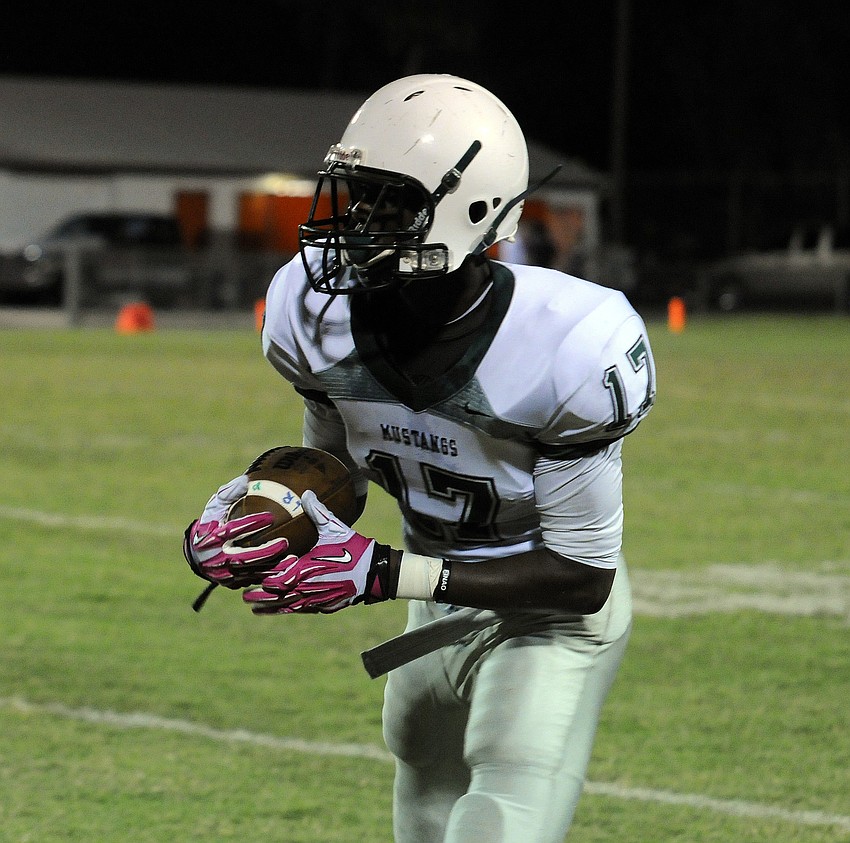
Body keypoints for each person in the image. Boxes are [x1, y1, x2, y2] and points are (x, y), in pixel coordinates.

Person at [183, 74, 656, 843]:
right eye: (355, 196)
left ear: (474, 210)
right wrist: (262, 508)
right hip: (433, 594)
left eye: (389, 203)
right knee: (425, 805)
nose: (358, 220)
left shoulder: (568, 344)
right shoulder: (313, 312)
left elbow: (583, 575)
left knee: (500, 810)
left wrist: (383, 573)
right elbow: (334, 474)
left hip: (547, 611)